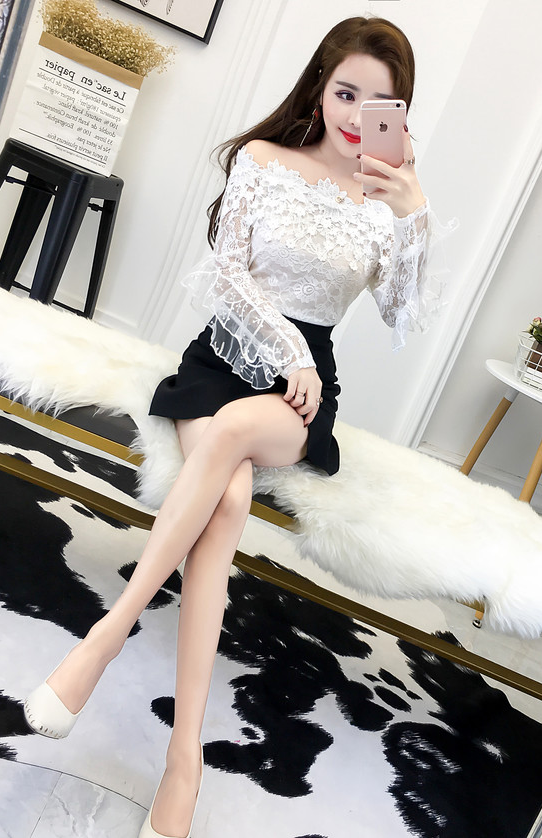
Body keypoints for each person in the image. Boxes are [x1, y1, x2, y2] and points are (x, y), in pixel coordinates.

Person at [24, 15, 448, 838]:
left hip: (303, 394)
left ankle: (105, 636)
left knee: (225, 442)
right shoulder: (263, 160)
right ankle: (184, 759)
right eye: (345, 92)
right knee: (227, 503)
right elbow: (229, 275)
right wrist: (284, 351)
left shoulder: (385, 203)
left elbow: (403, 317)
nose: (356, 115)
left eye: (378, 103)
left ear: (399, 113)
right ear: (319, 88)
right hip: (225, 358)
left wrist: (414, 217)